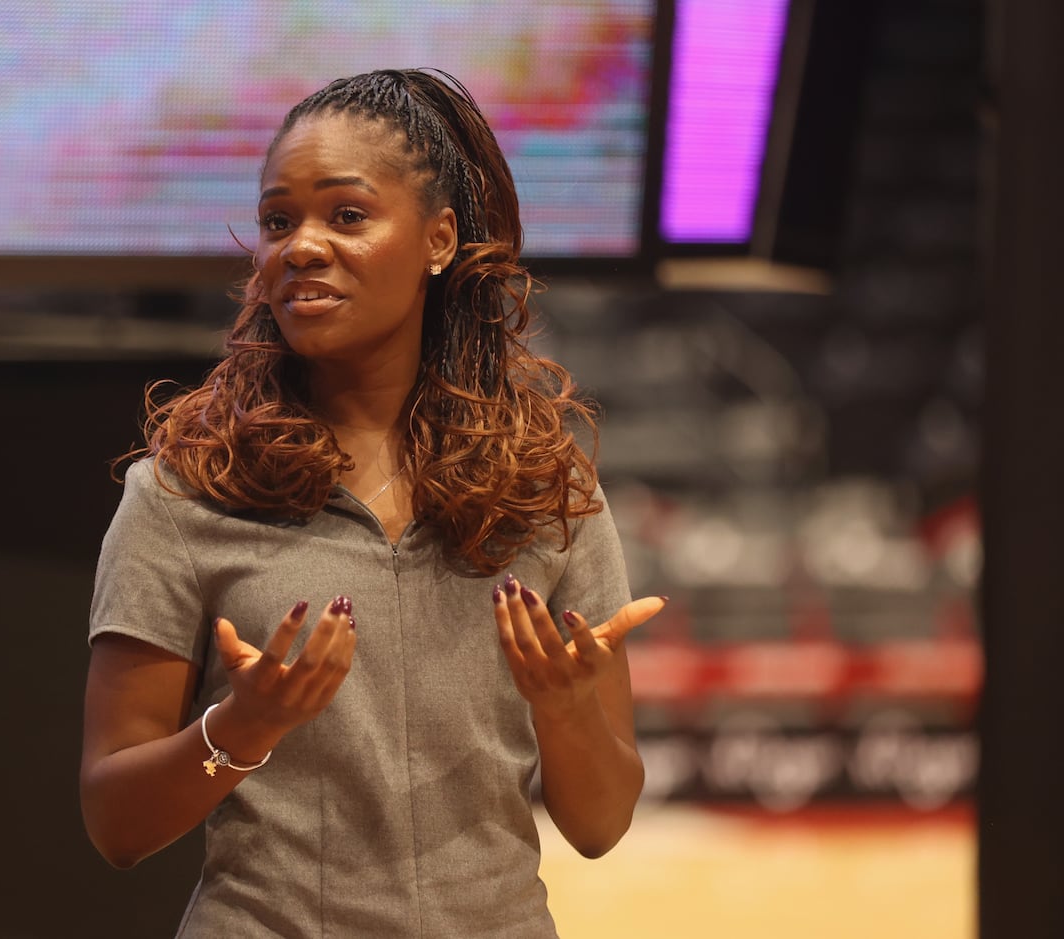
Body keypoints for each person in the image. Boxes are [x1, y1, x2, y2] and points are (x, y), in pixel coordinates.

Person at [80, 68, 663, 938]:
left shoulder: (543, 487)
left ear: (438, 240)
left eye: (346, 215)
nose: (302, 247)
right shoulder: (183, 489)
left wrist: (568, 702)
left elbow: (600, 824)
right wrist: (244, 724)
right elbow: (116, 825)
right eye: (279, 222)